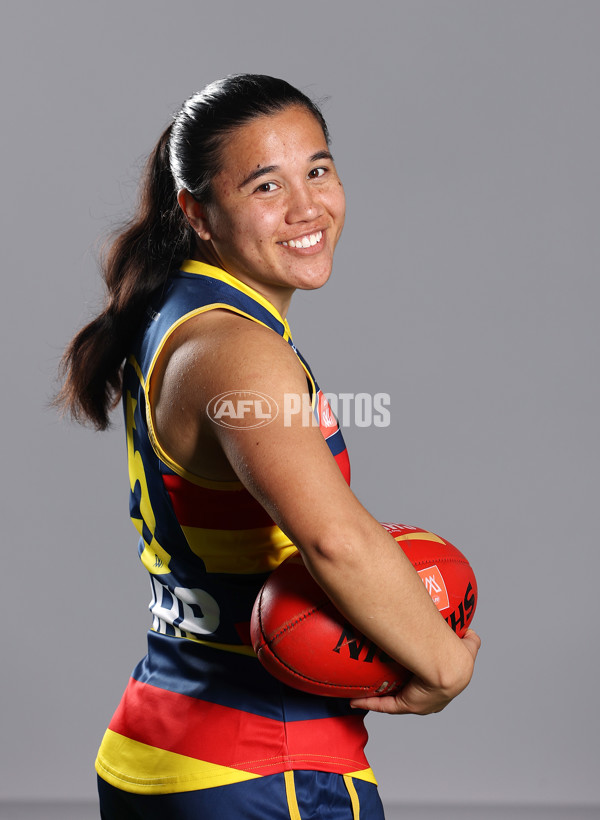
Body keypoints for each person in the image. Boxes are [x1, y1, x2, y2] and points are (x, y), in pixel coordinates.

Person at [57, 74, 480, 819]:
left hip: (161, 748)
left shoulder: (176, 310)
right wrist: (443, 667)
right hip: (264, 771)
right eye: (265, 186)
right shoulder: (237, 351)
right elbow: (335, 540)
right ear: (198, 212)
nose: (307, 207)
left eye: (318, 169)